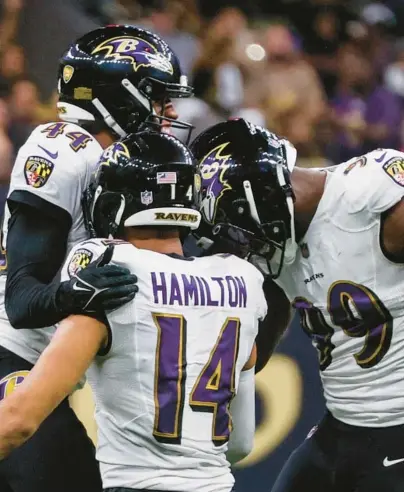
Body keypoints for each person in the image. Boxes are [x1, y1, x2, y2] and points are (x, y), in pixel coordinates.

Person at [0, 130, 266, 492]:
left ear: (110, 205)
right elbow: (240, 444)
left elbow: (19, 421)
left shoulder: (114, 271)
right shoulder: (241, 280)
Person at [0, 24, 193, 492]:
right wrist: (79, 293)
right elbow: (22, 301)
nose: (170, 111)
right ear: (118, 97)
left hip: (54, 368)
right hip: (13, 356)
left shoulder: (141, 162)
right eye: (158, 96)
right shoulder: (64, 150)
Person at [190, 117, 404, 492]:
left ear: (259, 201)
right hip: (342, 426)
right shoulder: (277, 235)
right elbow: (263, 331)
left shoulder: (370, 200)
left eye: (235, 227)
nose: (239, 245)